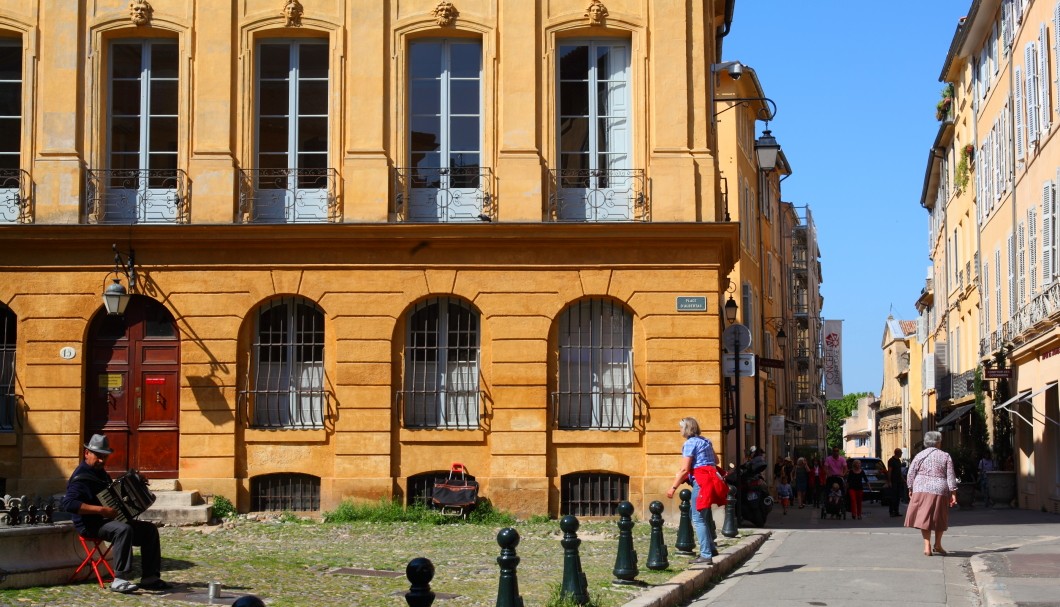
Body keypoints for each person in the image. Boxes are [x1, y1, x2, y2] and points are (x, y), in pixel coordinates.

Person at [61, 434, 172, 593]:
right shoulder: (81, 477)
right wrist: (101, 510)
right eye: (98, 456)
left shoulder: (101, 474)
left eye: (104, 457)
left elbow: (114, 496)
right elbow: (68, 504)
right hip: (89, 524)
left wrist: (136, 488)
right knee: (123, 530)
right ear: (87, 453)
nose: (101, 460)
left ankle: (150, 577)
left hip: (106, 521)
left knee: (149, 530)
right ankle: (119, 579)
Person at [667, 417, 719, 564]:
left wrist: (673, 487)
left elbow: (684, 469)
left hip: (700, 481)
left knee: (698, 518)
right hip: (710, 480)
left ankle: (706, 554)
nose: (680, 430)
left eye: (681, 428)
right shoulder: (706, 441)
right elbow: (716, 461)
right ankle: (711, 548)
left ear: (687, 428)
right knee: (701, 514)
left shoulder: (689, 444)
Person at [904, 431, 958, 557]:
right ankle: (938, 544)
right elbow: (950, 475)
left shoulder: (919, 455)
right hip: (940, 489)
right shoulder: (945, 456)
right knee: (940, 517)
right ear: (938, 442)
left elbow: (910, 473)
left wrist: (910, 487)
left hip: (921, 487)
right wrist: (953, 492)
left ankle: (927, 546)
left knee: (924, 516)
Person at [888, 448, 905, 516]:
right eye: (901, 452)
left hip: (898, 481)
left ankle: (896, 511)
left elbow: (899, 472)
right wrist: (889, 481)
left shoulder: (898, 461)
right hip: (893, 481)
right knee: (893, 497)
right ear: (897, 453)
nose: (901, 454)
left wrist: (903, 479)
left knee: (898, 497)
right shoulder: (891, 461)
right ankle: (891, 511)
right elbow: (889, 471)